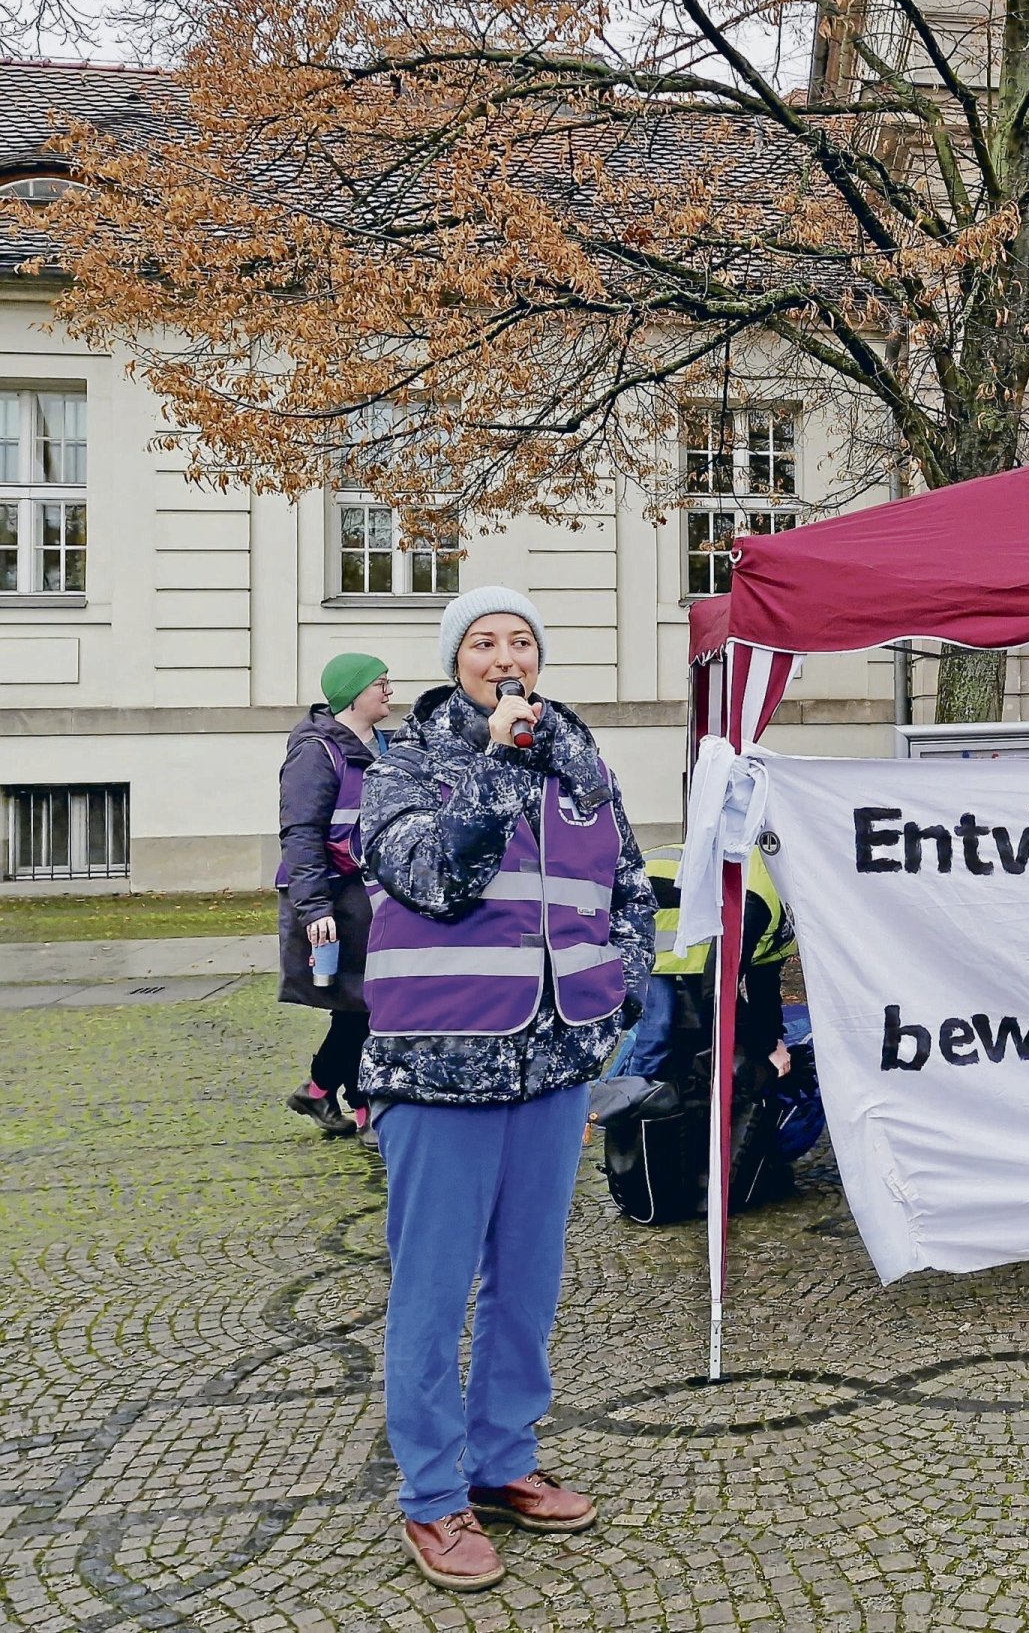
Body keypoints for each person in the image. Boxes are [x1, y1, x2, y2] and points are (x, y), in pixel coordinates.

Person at [356, 587, 654, 1591]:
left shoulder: (581, 764)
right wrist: (495, 761)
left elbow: (629, 890)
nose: (504, 653)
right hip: (438, 1070)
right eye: (483, 641)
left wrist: (617, 1000)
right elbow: (428, 877)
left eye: (519, 639)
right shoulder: (412, 759)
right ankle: (434, 1497)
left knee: (526, 1288)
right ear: (458, 664)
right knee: (433, 1293)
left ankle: (505, 1460)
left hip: (553, 1066)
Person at [276, 653, 392, 1140]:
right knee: (364, 1002)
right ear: (353, 693)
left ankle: (324, 1091)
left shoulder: (385, 743)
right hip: (334, 895)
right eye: (380, 684)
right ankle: (357, 1103)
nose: (389, 691)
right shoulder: (316, 752)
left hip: (372, 890)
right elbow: (301, 833)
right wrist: (313, 908)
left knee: (362, 1002)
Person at [621, 843, 796, 1081]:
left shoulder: (787, 923)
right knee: (659, 1024)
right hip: (641, 926)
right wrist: (764, 1046)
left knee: (695, 1027)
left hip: (689, 955)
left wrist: (774, 1040)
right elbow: (717, 989)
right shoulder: (759, 899)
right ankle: (629, 1097)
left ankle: (670, 1096)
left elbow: (763, 985)